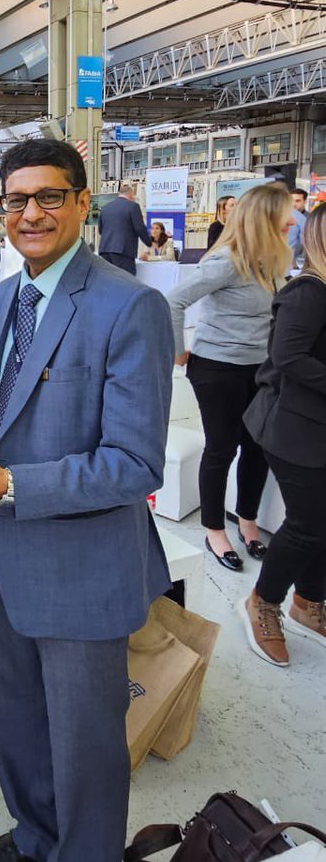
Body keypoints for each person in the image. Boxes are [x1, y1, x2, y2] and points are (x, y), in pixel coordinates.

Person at [0, 140, 173, 862]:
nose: (30, 213)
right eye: (15, 199)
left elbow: (134, 463)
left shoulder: (130, 306)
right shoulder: (5, 297)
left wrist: (6, 483)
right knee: (16, 715)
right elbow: (1, 409)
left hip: (82, 566)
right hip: (4, 551)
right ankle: (34, 831)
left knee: (86, 741)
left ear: (83, 203)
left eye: (49, 196)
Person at [167, 184, 294, 572]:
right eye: (285, 215)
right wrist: (178, 352)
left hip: (260, 370)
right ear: (265, 219)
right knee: (221, 448)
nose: (292, 222)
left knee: (257, 448)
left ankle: (247, 521)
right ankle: (214, 529)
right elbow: (173, 300)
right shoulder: (226, 261)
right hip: (217, 369)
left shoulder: (271, 261)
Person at [239, 203, 326, 666]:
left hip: (314, 426)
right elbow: (290, 357)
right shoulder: (308, 292)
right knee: (307, 524)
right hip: (293, 428)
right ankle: (263, 602)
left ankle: (308, 601)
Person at [98, 181, 152, 274]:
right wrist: (149, 243)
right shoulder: (133, 206)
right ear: (131, 195)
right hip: (123, 251)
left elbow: (100, 230)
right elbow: (139, 228)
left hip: (105, 250)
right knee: (126, 279)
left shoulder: (105, 208)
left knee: (109, 279)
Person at [287, 188, 308, 268]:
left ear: (305, 202)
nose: (293, 204)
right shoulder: (282, 218)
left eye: (297, 201)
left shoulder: (312, 219)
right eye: (291, 201)